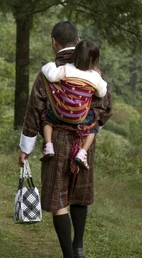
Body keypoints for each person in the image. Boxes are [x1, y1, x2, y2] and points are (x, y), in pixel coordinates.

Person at [18, 22, 112, 258]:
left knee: (59, 197)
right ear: (78, 40)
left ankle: (69, 255)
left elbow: (34, 110)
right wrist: (90, 125)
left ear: (54, 42)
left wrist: (26, 148)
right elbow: (106, 107)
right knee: (79, 194)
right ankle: (78, 247)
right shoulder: (94, 71)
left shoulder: (50, 72)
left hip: (56, 139)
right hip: (84, 141)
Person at [40, 40, 108, 170]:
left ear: (74, 55)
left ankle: (49, 146)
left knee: (46, 120)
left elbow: (50, 74)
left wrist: (49, 65)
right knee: (93, 128)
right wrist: (99, 77)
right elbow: (101, 93)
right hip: (81, 117)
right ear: (95, 61)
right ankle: (82, 153)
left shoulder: (65, 70)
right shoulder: (95, 77)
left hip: (60, 113)